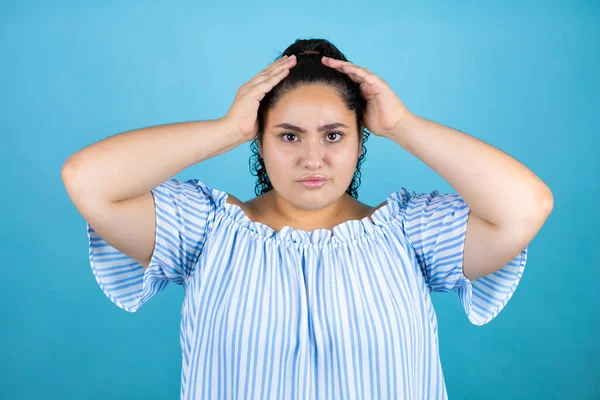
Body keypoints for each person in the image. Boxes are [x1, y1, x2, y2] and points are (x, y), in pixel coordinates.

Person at [62, 38, 553, 399]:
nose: (312, 158)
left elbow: (525, 207)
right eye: (289, 136)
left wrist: (402, 126)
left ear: (362, 138)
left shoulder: (410, 231)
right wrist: (225, 129)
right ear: (260, 139)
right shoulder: (204, 228)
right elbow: (89, 180)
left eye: (334, 135)